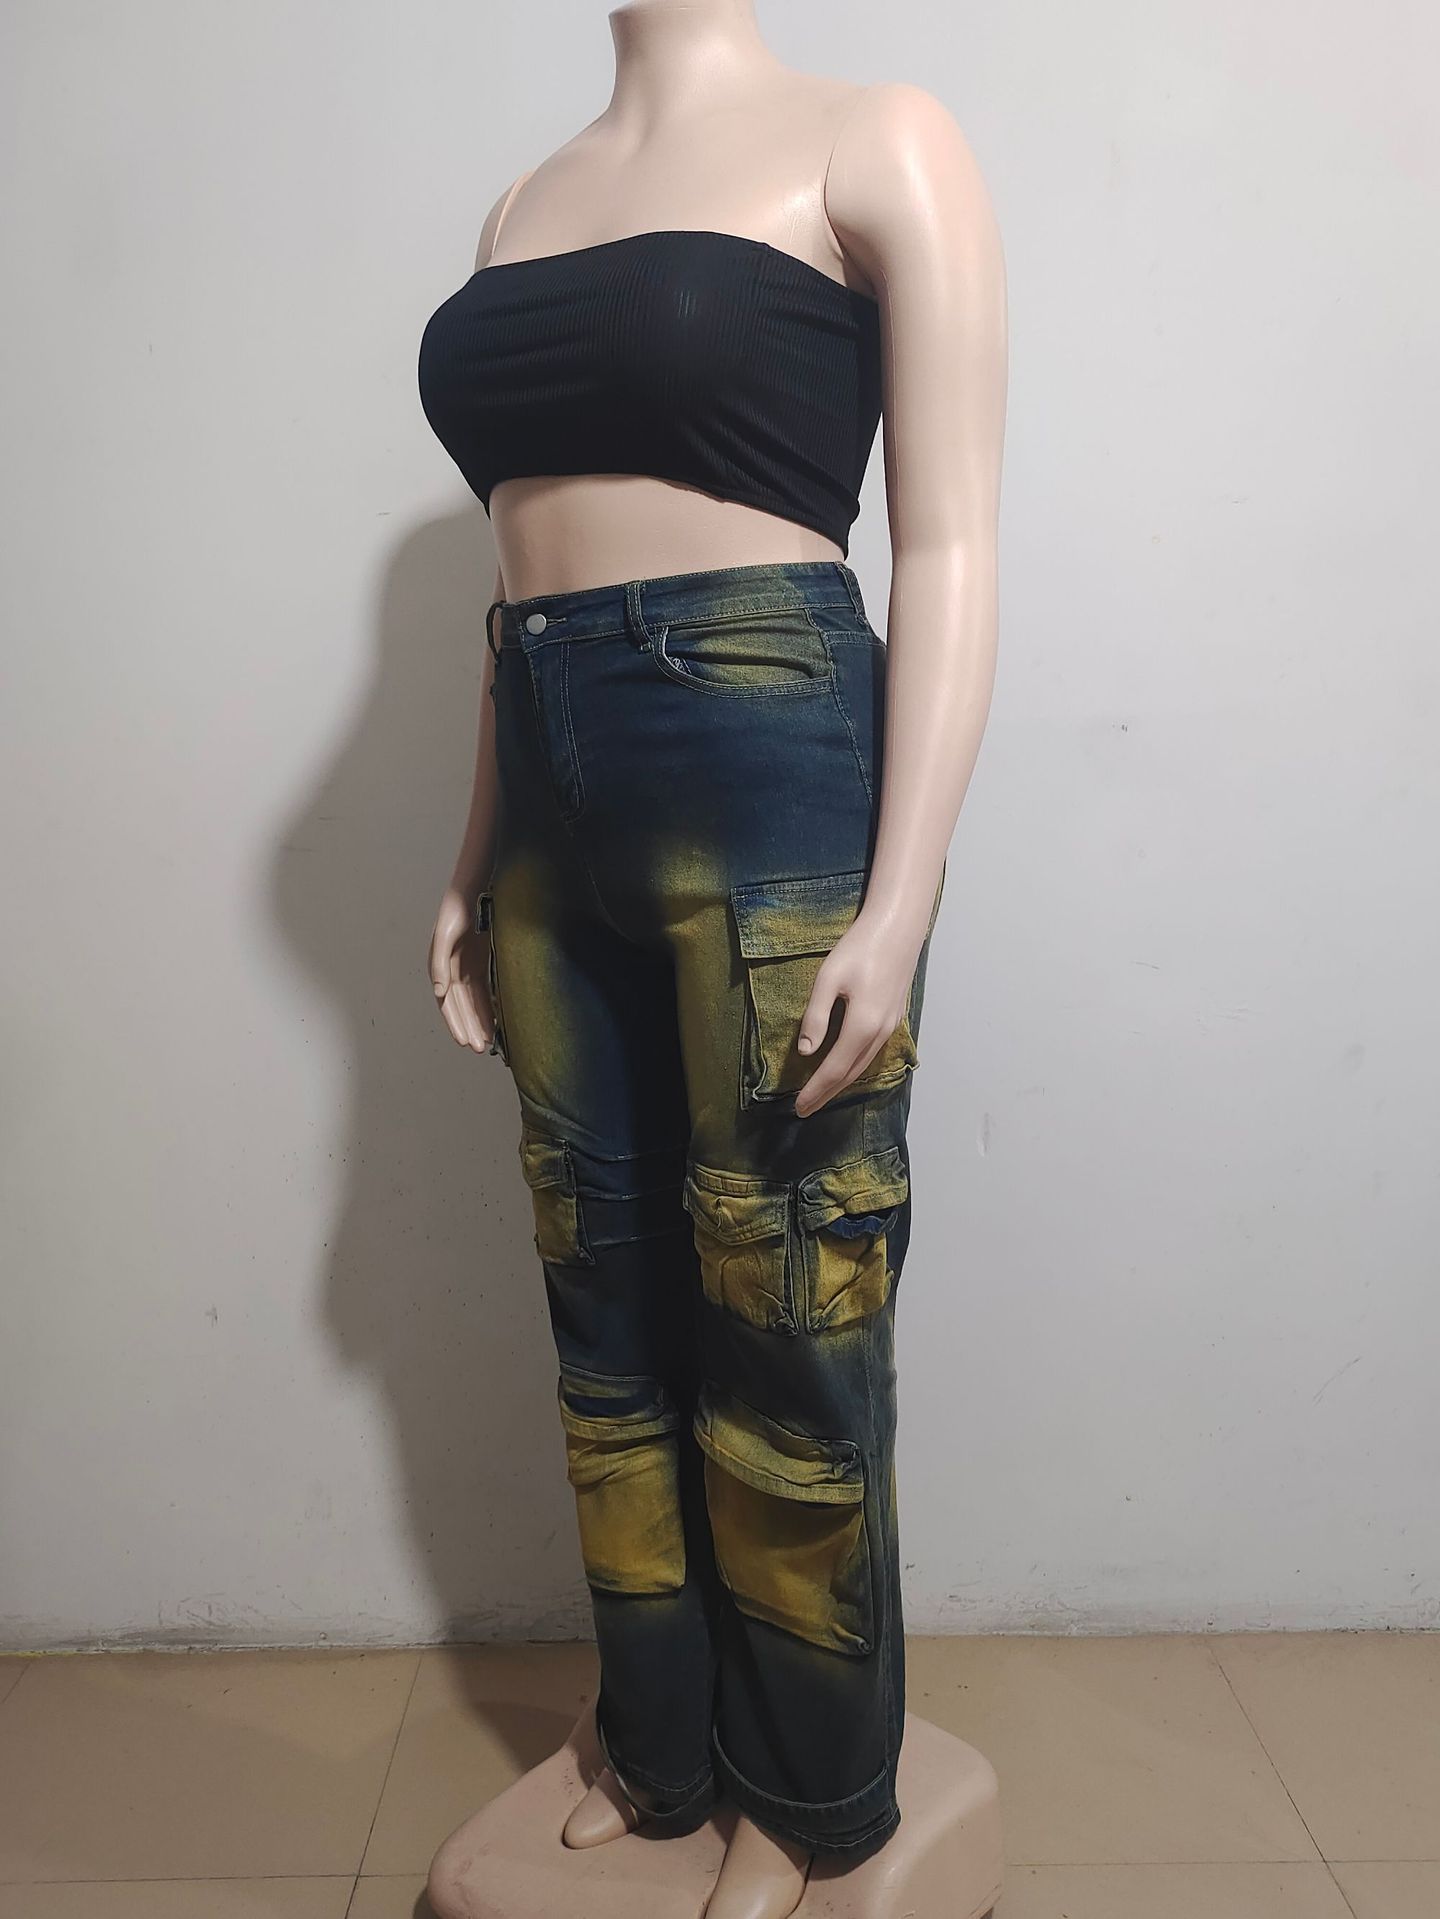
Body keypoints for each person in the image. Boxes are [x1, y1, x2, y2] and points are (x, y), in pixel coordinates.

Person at [417, 5, 1007, 1915]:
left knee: (785, 1295)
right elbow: (515, 570)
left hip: (763, 739)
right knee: (602, 1294)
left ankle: (815, 1798)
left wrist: (899, 900)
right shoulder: (523, 201)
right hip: (548, 762)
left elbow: (952, 543)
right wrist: (476, 841)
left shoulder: (877, 137)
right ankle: (659, 1745)